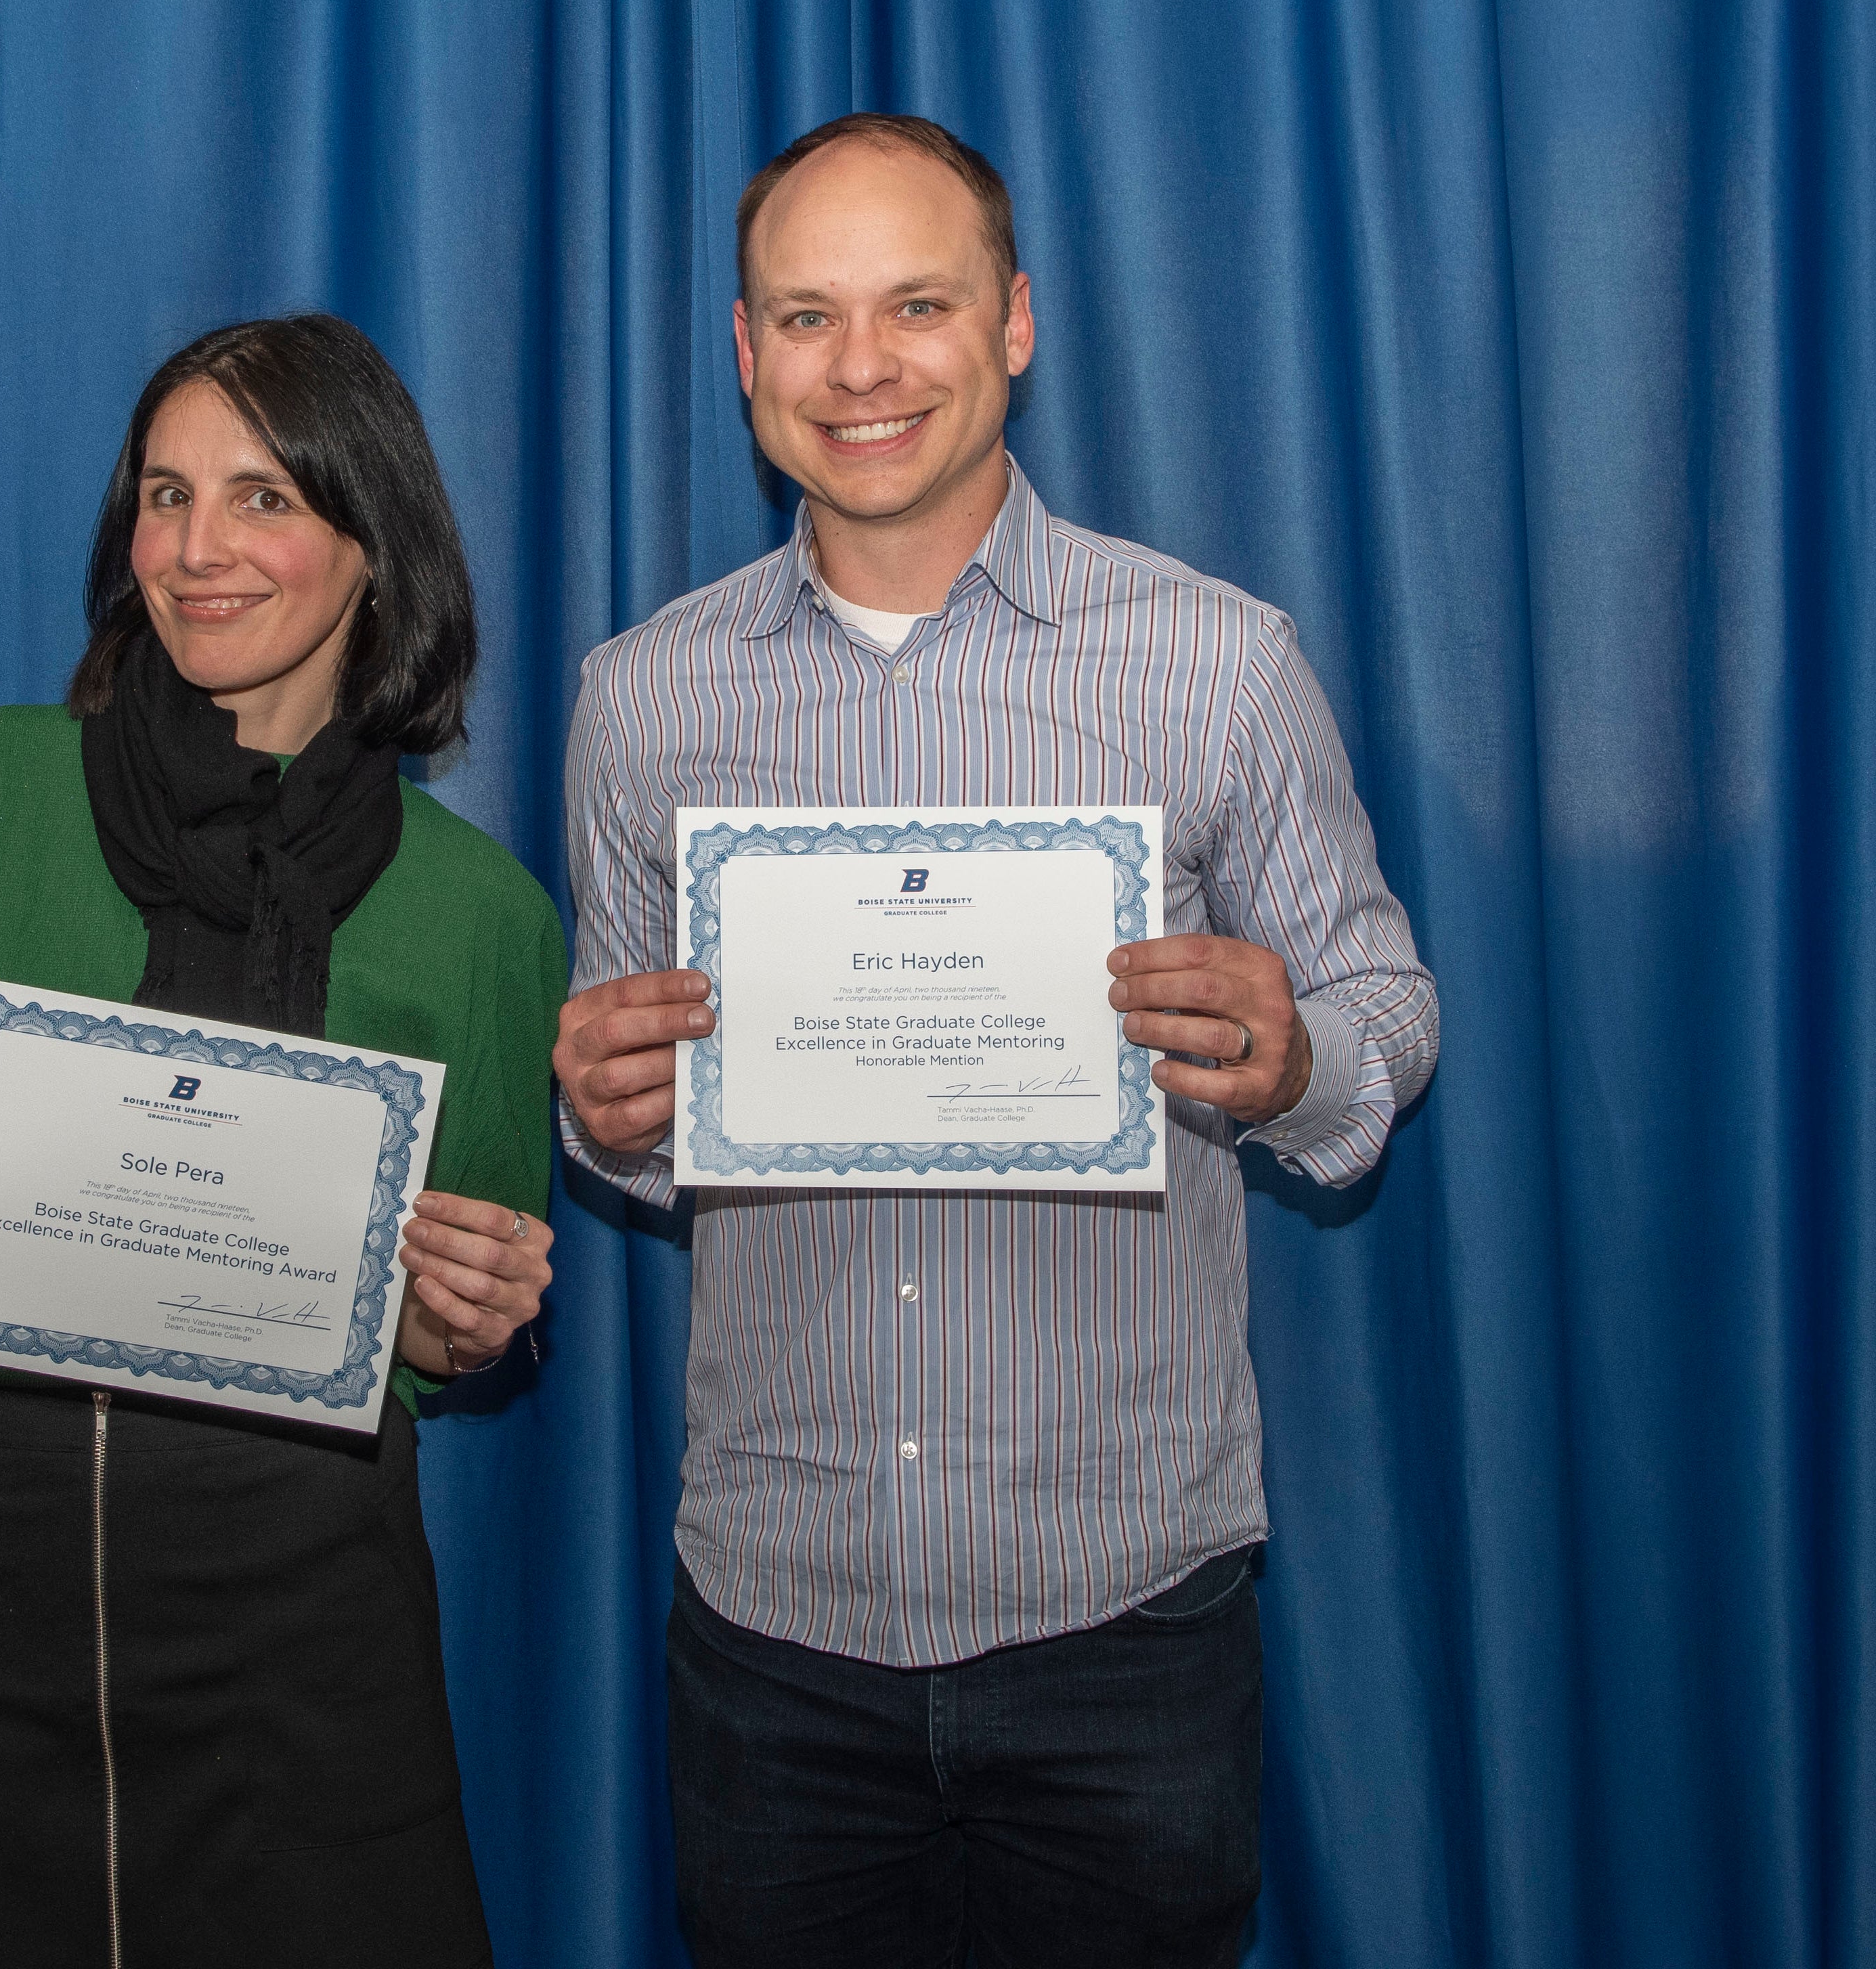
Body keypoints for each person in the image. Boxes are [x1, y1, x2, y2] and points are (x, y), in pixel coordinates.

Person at [554, 114, 1440, 1969]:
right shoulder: (642, 700)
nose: (860, 367)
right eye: (805, 317)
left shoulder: (1218, 662)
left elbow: (1380, 1012)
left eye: (918, 305)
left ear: (1016, 324)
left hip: (1123, 1620)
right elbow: (640, 1116)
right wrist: (608, 1113)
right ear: (742, 354)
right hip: (774, 1630)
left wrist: (1287, 1060)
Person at [0, 315, 563, 1969]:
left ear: (372, 542)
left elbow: (455, 1318)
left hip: (310, 1609)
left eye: (260, 497)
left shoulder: (482, 914)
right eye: (163, 495)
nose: (195, 548)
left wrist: (464, 1320)